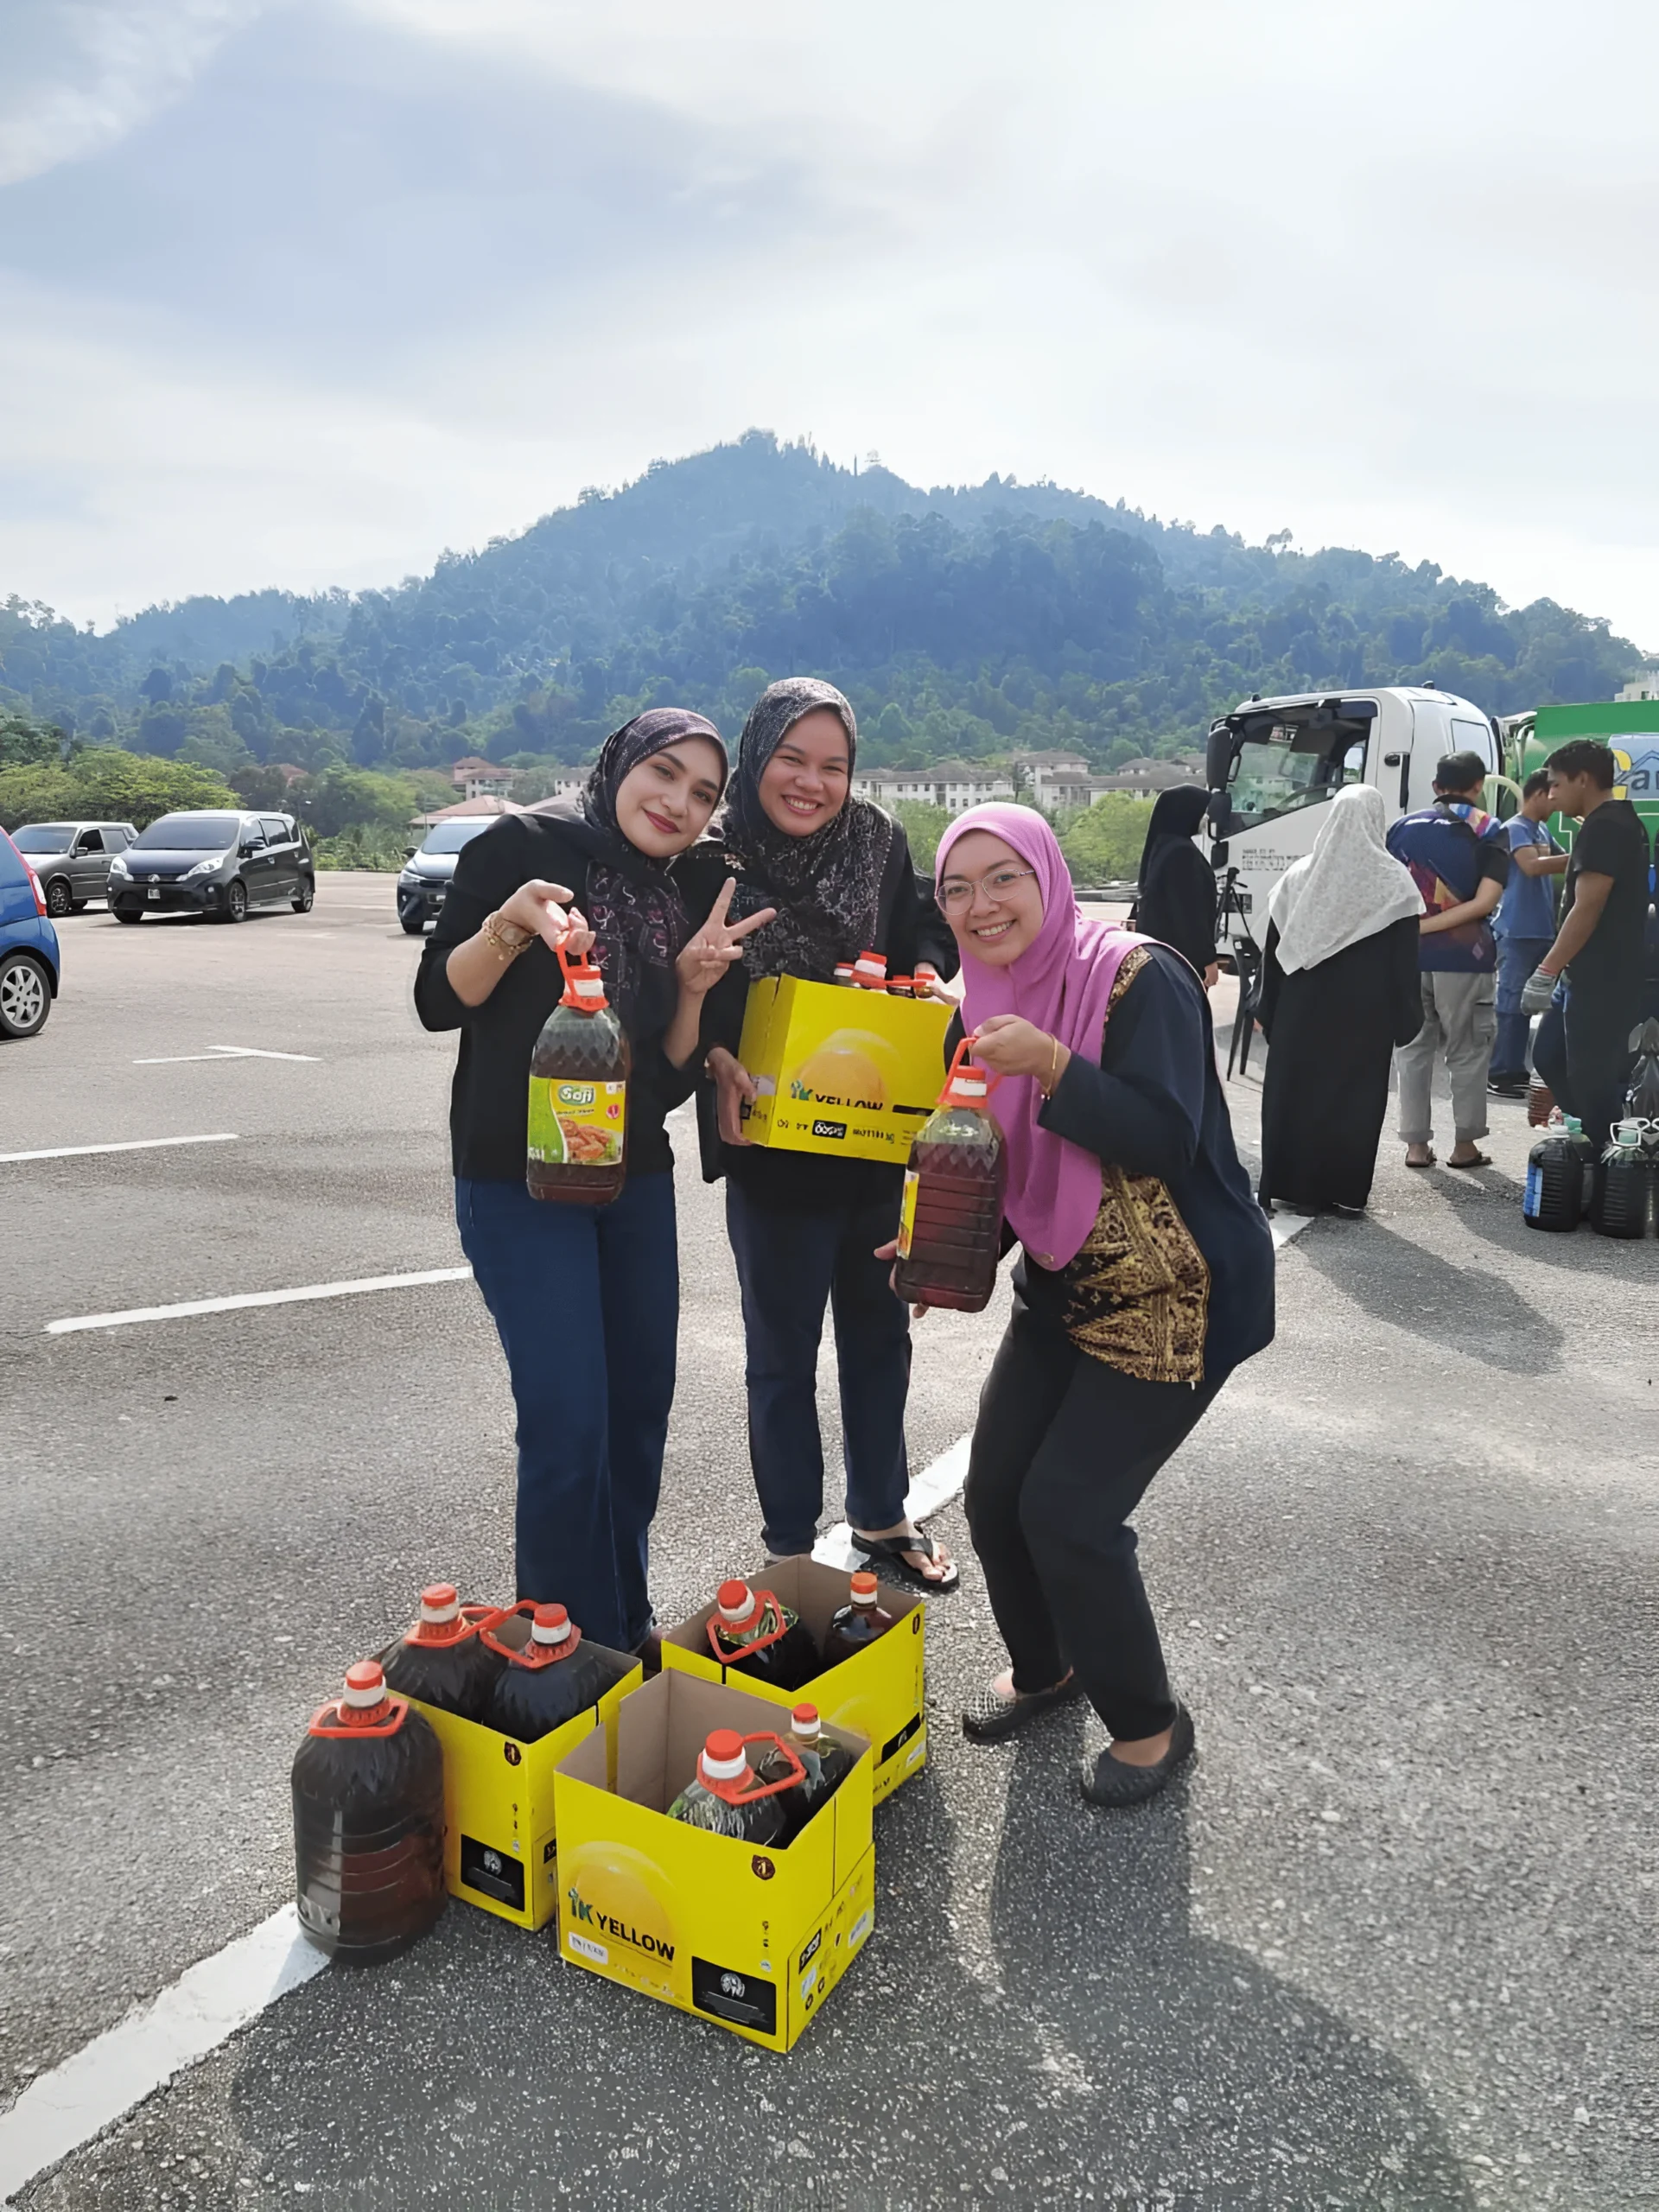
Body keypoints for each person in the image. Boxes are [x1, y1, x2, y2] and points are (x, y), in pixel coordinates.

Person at [907, 804, 1274, 1807]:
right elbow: (996, 1167)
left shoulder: (1140, 977)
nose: (981, 905)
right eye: (957, 888)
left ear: (1048, 876)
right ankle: (1048, 1666)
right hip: (1063, 1284)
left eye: (1004, 877)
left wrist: (1056, 1066)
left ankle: (1151, 1724)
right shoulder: (974, 1014)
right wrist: (940, 1248)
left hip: (1177, 1289)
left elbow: (1167, 1137)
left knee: (1067, 1514)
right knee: (994, 1495)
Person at [414, 709, 772, 1657]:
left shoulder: (678, 892)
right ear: (620, 764)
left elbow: (661, 1082)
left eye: (703, 793)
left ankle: (620, 1624)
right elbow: (438, 1000)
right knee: (569, 1422)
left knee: (637, 1416)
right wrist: (509, 925)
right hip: (517, 1181)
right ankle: (559, 1649)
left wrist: (692, 988)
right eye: (665, 772)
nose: (679, 802)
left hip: (631, 1176)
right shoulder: (522, 848)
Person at [700, 677, 961, 1587]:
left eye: (834, 766)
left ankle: (883, 1515)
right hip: (773, 1150)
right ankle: (788, 1546)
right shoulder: (713, 856)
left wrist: (926, 972)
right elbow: (683, 984)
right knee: (780, 1358)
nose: (812, 783)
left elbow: (925, 925)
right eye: (792, 759)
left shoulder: (878, 839)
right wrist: (711, 1056)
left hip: (874, 1141)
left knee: (880, 1340)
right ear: (756, 756)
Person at [1256, 785, 1424, 1216]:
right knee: (1353, 1101)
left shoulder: (1298, 876)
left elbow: (1274, 954)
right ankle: (1344, 1192)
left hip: (1300, 1010)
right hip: (1364, 1016)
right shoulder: (1392, 883)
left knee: (1296, 1094)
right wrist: (1406, 1017)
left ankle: (1294, 1187)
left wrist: (1268, 1009)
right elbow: (1405, 961)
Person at [1385, 751, 1510, 1169]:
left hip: (1407, 959)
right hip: (1465, 958)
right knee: (1468, 1050)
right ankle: (1465, 1146)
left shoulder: (1402, 828)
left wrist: (1414, 931)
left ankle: (1416, 1146)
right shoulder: (1490, 830)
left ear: (1436, 787)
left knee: (1411, 1049)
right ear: (1479, 786)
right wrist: (1431, 927)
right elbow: (1486, 902)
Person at [1526, 740, 1650, 1147]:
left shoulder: (1607, 827)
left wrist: (1546, 969)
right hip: (1581, 973)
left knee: (1590, 1075)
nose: (1551, 794)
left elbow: (1588, 908)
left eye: (1556, 784)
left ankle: (1606, 1154)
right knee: (1549, 1057)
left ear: (1583, 779)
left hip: (1602, 975)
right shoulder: (1604, 824)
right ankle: (1588, 1137)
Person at [1487, 771, 1568, 1098]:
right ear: (1538, 794)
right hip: (1516, 930)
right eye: (1553, 796)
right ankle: (1501, 1073)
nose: (1557, 804)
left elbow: (1566, 861)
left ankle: (1518, 1069)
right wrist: (1586, 855)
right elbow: (1532, 866)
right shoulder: (1515, 829)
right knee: (1511, 1004)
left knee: (1535, 1004)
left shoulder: (1542, 829)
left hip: (1541, 929)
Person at [1133, 785, 1220, 987]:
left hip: (1163, 958)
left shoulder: (1163, 846)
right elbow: (1190, 913)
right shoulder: (1182, 854)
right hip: (1183, 960)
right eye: (1203, 812)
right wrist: (1207, 958)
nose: (1206, 818)